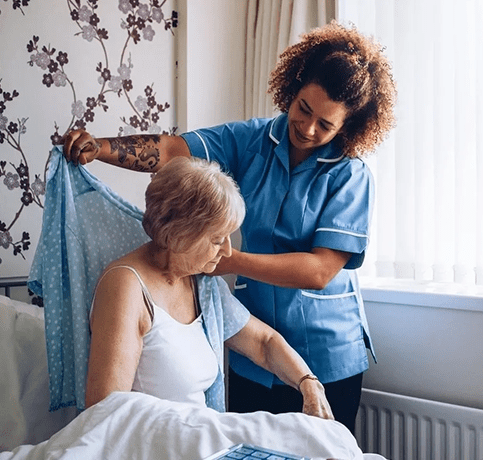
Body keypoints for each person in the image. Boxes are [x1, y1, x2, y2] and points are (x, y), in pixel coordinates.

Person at [63, 21, 397, 433]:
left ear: (347, 127)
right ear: (291, 91)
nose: (308, 129)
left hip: (325, 353)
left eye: (326, 125)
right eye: (303, 109)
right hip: (253, 356)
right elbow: (171, 150)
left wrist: (222, 257)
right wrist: (101, 149)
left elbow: (319, 270)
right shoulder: (250, 140)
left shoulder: (350, 175)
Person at [85, 155, 333, 420]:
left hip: (197, 438)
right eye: (217, 239)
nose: (227, 250)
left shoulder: (202, 283)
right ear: (178, 234)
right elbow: (104, 413)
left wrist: (308, 381)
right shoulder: (126, 286)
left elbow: (264, 342)